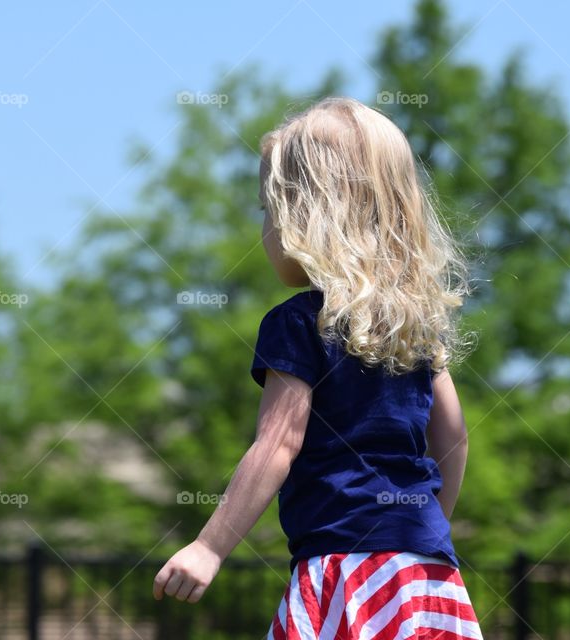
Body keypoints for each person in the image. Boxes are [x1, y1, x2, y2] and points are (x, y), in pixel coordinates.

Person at [152, 96, 482, 639]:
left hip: (343, 567)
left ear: (307, 217)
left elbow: (278, 444)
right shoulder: (414, 325)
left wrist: (209, 547)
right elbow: (454, 439)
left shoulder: (300, 322)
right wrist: (426, 528)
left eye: (267, 209)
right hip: (426, 576)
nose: (263, 228)